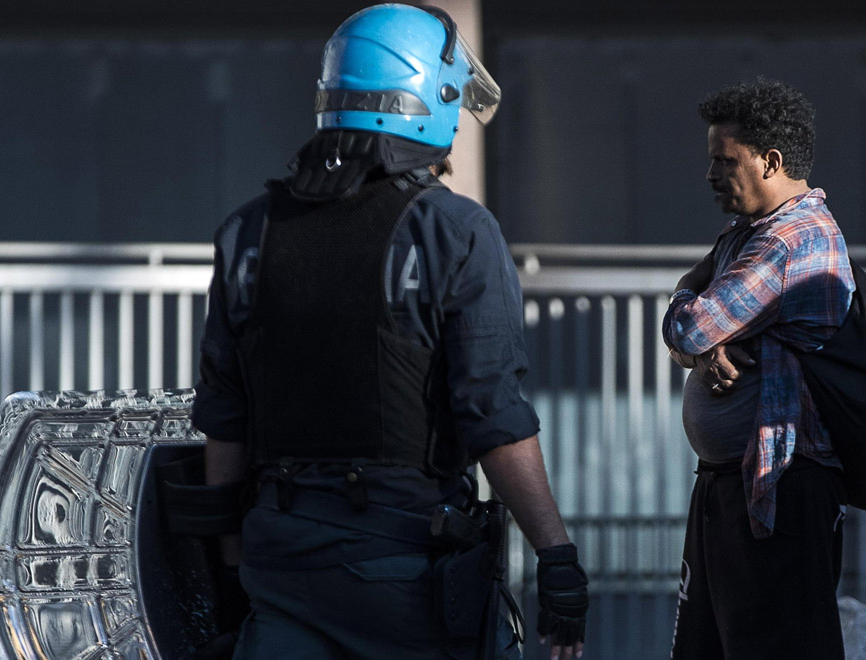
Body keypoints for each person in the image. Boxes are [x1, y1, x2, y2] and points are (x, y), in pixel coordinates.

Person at [189, 5, 588, 660]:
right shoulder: (456, 231)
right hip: (404, 577)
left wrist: (233, 571)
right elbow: (493, 415)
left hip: (278, 570)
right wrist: (557, 556)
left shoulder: (248, 233)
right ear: (433, 97)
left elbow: (223, 421)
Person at [661, 78, 855, 660]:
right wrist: (700, 346)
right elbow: (692, 336)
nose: (710, 175)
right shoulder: (747, 233)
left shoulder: (791, 240)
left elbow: (689, 327)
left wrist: (688, 303)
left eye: (725, 161)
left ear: (769, 162)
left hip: (778, 493)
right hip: (736, 488)